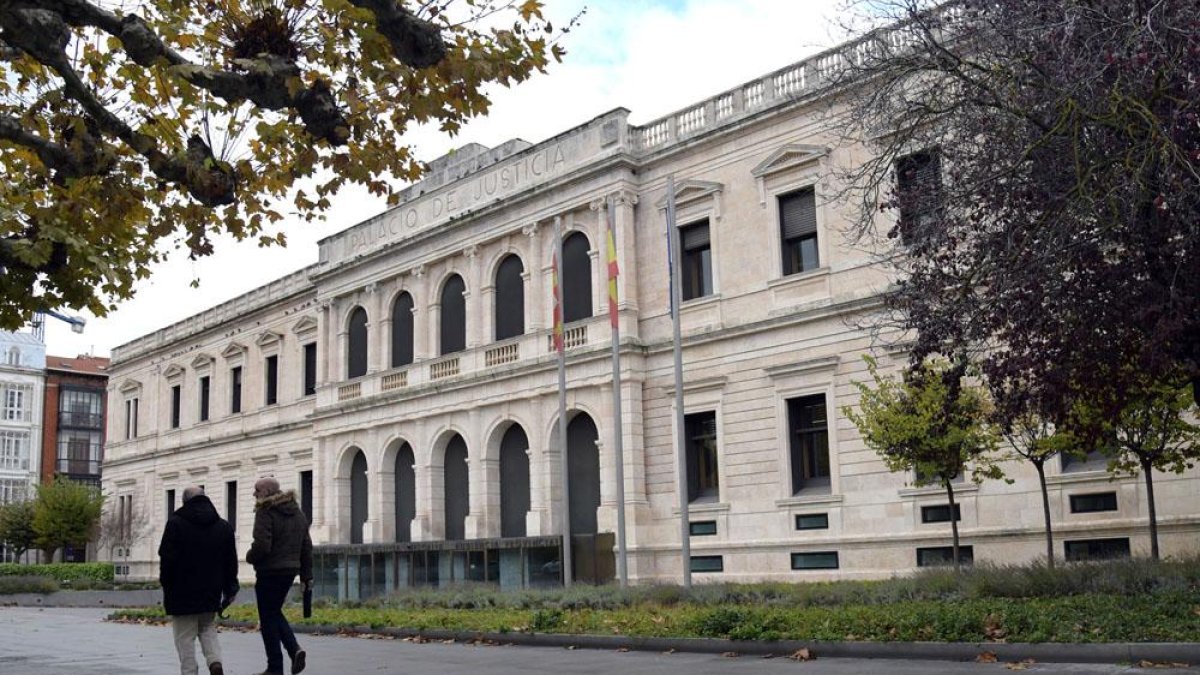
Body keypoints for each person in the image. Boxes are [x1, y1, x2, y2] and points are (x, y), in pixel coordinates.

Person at [159, 485, 239, 675]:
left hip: (181, 592)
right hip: (211, 591)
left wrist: (167, 585)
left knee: (184, 637)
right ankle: (215, 662)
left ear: (184, 502)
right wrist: (230, 589)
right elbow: (231, 562)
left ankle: (189, 671)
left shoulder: (175, 523)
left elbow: (167, 560)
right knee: (207, 628)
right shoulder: (224, 526)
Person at [247, 477, 313, 675]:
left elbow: (262, 545)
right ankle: (293, 652)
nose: (254, 494)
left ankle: (276, 666)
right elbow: (306, 547)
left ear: (267, 492)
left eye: (257, 490)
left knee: (268, 619)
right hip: (289, 571)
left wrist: (251, 557)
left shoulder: (264, 511)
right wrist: (305, 575)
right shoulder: (298, 513)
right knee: (273, 613)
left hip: (269, 572)